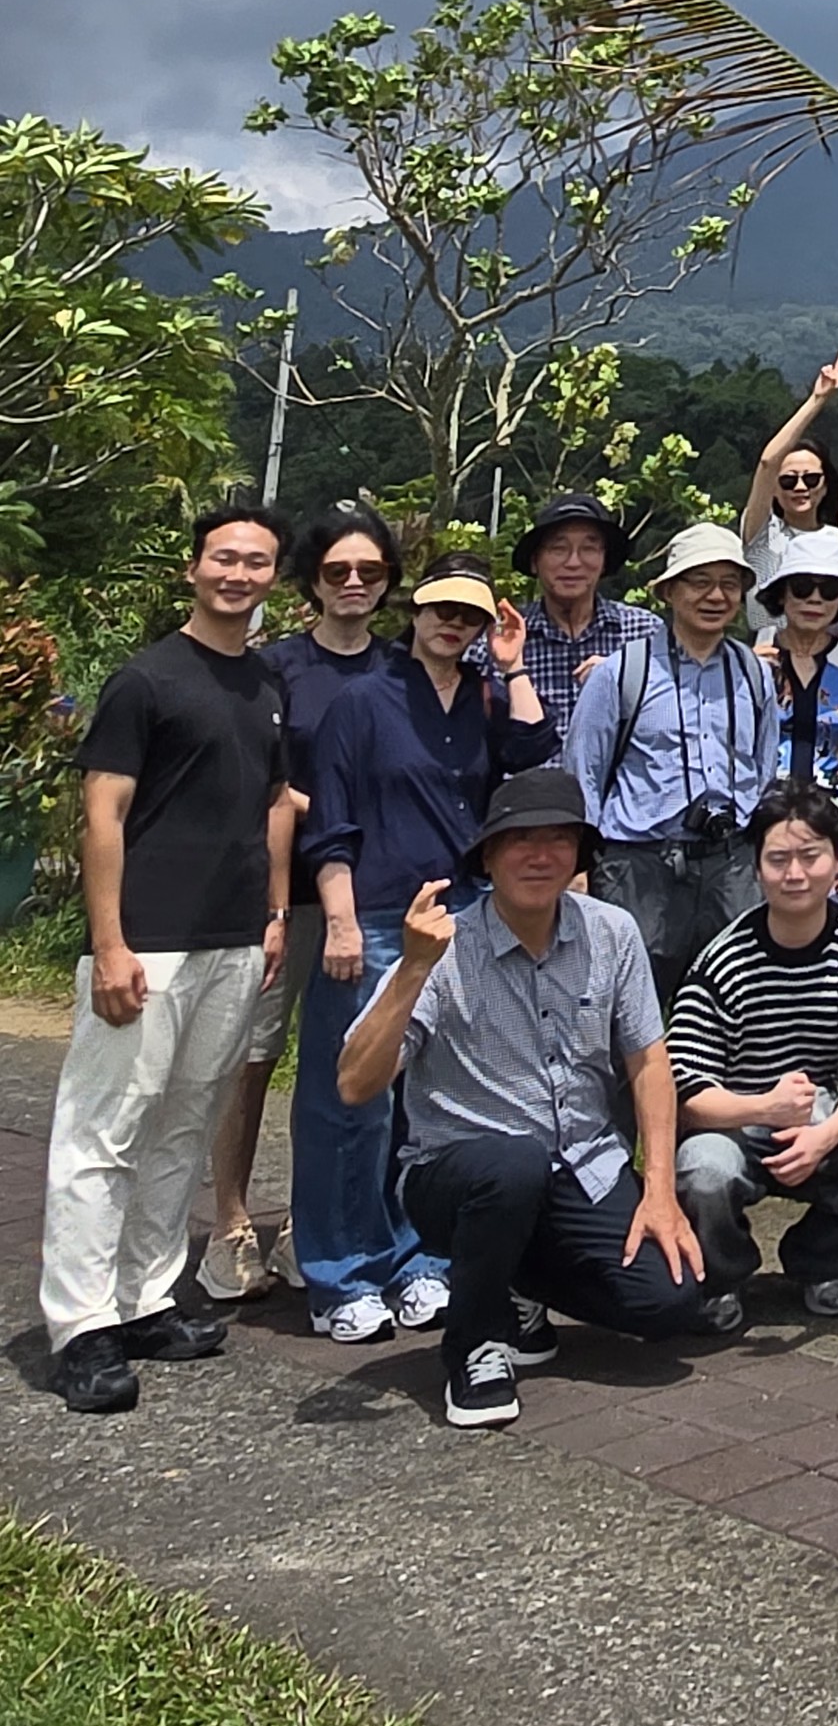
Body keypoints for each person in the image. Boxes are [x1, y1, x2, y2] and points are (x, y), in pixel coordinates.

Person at [337, 767, 735, 1428]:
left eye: (558, 840)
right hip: (457, 1174)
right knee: (514, 1163)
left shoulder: (612, 932)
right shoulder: (444, 947)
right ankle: (474, 1344)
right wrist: (412, 968)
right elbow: (355, 1083)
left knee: (668, 1302)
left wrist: (660, 1192)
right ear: (488, 857)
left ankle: (514, 1280)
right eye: (520, 839)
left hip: (583, 1163)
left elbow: (648, 1063)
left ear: (579, 856)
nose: (540, 855)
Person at [40, 496, 295, 1415]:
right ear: (194, 568)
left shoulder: (265, 685)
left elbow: (271, 807)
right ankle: (81, 1325)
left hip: (233, 940)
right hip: (146, 943)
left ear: (274, 578)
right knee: (103, 1134)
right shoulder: (145, 680)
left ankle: (146, 1299)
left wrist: (273, 916)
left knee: (184, 1124)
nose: (238, 574)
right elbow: (102, 814)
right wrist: (109, 943)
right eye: (224, 557)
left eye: (256, 562)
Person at [293, 563, 555, 1339]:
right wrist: (340, 920)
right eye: (441, 610)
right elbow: (330, 823)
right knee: (352, 1101)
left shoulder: (481, 698)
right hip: (377, 914)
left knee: (432, 1101)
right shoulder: (362, 700)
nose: (452, 626)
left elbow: (535, 753)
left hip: (464, 914)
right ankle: (343, 1274)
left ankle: (418, 1260)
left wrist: (512, 665)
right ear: (414, 611)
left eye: (468, 618)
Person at [201, 496, 398, 1302]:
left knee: (354, 1068)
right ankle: (230, 1222)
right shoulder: (275, 667)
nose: (353, 582)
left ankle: (313, 1224)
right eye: (336, 569)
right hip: (285, 891)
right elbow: (259, 778)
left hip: (368, 895)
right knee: (253, 1056)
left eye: (369, 570)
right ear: (311, 580)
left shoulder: (401, 668)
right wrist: (335, 815)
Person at [669, 785, 838, 1319]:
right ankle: (721, 1277)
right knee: (703, 1168)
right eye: (778, 859)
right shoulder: (721, 961)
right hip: (736, 1120)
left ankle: (825, 1264)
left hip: (824, 1115)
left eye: (811, 856)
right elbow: (687, 1091)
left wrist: (825, 1135)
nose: (795, 874)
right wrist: (765, 1108)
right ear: (757, 867)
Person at [563, 523, 778, 1001]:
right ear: (668, 591)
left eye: (729, 584)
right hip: (639, 864)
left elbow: (763, 769)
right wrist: (578, 865)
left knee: (735, 996)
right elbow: (583, 773)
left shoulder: (754, 673)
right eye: (699, 582)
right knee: (628, 1004)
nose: (715, 596)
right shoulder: (622, 671)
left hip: (731, 861)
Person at [509, 492, 667, 749]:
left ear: (604, 562)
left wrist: (621, 681)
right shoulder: (504, 640)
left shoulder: (645, 633)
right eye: (558, 549)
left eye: (589, 549)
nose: (573, 562)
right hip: (532, 775)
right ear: (535, 561)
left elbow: (675, 723)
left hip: (618, 775)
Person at [754, 530, 838, 811]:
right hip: (764, 815)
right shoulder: (753, 662)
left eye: (829, 590)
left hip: (834, 817)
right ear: (782, 594)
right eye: (802, 587)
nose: (815, 599)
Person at [739, 351, 838, 593]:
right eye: (788, 481)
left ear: (825, 486)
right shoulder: (763, 534)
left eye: (811, 479)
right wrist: (817, 399)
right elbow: (768, 462)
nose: (801, 487)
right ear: (773, 489)